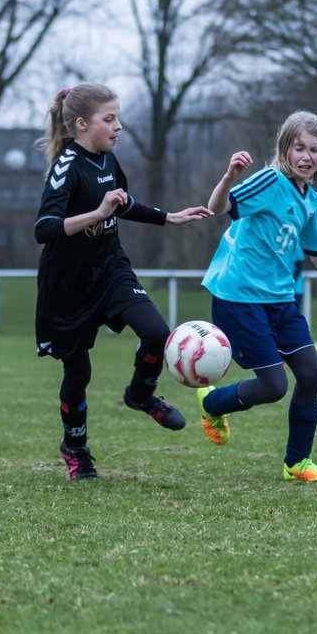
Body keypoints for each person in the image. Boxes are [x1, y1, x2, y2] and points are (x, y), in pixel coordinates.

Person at [196, 111, 317, 482]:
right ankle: (211, 402)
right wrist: (228, 178)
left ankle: (297, 463)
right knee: (273, 387)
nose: (306, 156)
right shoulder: (269, 181)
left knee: (312, 371)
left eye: (313, 149)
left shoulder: (311, 200)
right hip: (239, 297)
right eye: (298, 147)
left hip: (280, 299)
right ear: (284, 150)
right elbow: (219, 208)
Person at [33, 83, 212, 479]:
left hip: (111, 270)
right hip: (68, 286)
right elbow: (44, 229)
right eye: (109, 119)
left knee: (156, 332)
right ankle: (75, 448)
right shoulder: (66, 166)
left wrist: (169, 217)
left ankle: (141, 394)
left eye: (118, 118)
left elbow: (122, 201)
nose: (118, 127)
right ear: (81, 124)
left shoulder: (108, 160)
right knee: (78, 374)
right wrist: (97, 214)